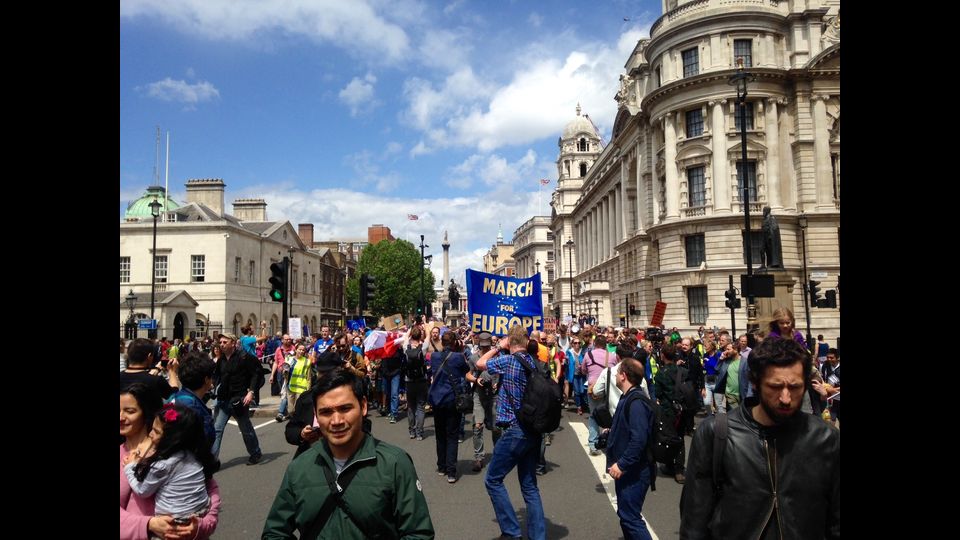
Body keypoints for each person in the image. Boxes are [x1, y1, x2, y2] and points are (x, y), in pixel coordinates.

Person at [679, 338, 840, 539]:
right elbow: (694, 521)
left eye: (795, 387)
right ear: (755, 383)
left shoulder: (826, 439)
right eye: (774, 387)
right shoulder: (716, 434)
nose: (785, 398)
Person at [262, 369, 435, 539]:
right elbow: (274, 532)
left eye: (345, 409)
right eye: (326, 412)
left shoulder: (395, 463)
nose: (336, 421)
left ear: (363, 406)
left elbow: (418, 532)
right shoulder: (299, 467)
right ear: (316, 414)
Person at [121, 383, 221, 540]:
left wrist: (200, 526)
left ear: (148, 413)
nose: (120, 417)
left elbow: (209, 490)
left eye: (130, 411)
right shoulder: (180, 454)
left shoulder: (173, 451)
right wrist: (147, 524)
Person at [476, 324, 546, 540]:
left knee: (493, 479)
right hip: (533, 429)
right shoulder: (536, 362)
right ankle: (538, 536)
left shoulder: (508, 361)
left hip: (514, 429)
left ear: (510, 341)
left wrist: (499, 346)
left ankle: (511, 531)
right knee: (529, 487)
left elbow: (480, 363)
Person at [605, 357, 655, 540]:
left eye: (618, 373)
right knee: (626, 515)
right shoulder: (629, 397)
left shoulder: (636, 402)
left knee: (630, 518)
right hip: (630, 470)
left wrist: (622, 464)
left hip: (635, 471)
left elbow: (639, 439)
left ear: (624, 376)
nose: (616, 376)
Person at [210, 333, 263, 465]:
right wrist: (212, 386)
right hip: (223, 400)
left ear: (233, 343)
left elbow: (256, 374)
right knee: (217, 429)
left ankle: (255, 453)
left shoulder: (244, 357)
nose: (221, 344)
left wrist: (251, 392)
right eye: (220, 342)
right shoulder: (221, 360)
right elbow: (217, 377)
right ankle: (212, 461)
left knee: (246, 429)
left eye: (224, 342)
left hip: (239, 400)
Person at [427, 330, 469, 483]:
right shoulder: (458, 357)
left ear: (442, 343)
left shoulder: (434, 356)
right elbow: (465, 370)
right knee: (452, 435)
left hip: (438, 399)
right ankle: (451, 471)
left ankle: (442, 466)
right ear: (454, 343)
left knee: (440, 434)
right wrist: (460, 350)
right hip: (452, 398)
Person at [465, 331, 501, 472]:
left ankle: (497, 455)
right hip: (479, 395)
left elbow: (503, 373)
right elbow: (467, 374)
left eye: (487, 347)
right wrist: (475, 379)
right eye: (483, 347)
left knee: (496, 427)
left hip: (494, 396)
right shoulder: (474, 358)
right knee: (477, 426)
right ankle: (479, 457)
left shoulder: (497, 357)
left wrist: (498, 383)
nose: (485, 349)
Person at [169, 352, 216, 450]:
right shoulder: (192, 408)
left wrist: (172, 372)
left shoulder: (179, 397)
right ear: (206, 379)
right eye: (211, 376)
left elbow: (174, 388)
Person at [404, 327, 430, 441]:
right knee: (420, 407)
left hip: (409, 381)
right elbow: (428, 336)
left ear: (411, 336)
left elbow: (405, 337)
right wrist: (425, 326)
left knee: (411, 407)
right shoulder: (423, 348)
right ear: (420, 336)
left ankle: (411, 431)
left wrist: (410, 329)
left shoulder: (406, 347)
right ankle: (419, 432)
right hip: (421, 380)